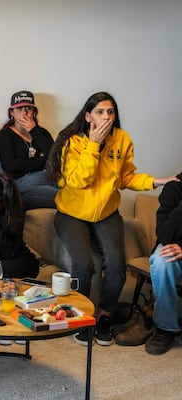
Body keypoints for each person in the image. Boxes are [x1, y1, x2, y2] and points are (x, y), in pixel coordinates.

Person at [45, 91, 179, 347]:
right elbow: (79, 181)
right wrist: (93, 145)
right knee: (84, 266)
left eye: (110, 112)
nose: (106, 117)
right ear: (87, 116)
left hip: (106, 213)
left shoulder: (121, 139)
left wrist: (159, 181)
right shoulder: (72, 143)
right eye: (99, 112)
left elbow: (126, 177)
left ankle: (104, 316)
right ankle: (80, 316)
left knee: (118, 267)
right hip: (72, 214)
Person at [0, 90, 57, 210]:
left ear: (34, 111)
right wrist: (42, 160)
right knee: (64, 197)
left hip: (48, 177)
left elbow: (55, 158)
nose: (25, 113)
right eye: (19, 109)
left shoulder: (41, 133)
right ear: (12, 112)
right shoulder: (4, 135)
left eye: (28, 108)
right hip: (21, 185)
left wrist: (33, 130)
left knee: (71, 187)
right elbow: (10, 165)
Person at [145, 171, 182, 355]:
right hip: (173, 250)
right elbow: (166, 235)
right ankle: (165, 328)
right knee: (162, 260)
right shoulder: (174, 189)